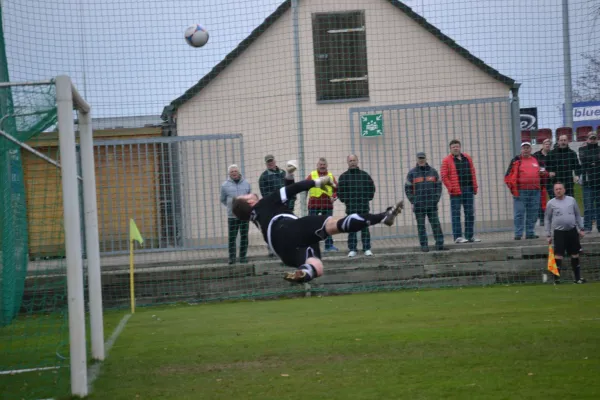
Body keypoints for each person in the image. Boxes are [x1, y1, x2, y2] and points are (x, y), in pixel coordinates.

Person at [231, 160, 404, 283]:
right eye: (245, 195)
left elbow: (286, 201)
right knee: (334, 224)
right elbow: (295, 189)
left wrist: (289, 174)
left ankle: (305, 273)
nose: (249, 193)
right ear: (250, 202)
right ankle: (383, 216)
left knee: (317, 266)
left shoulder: (259, 216)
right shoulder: (265, 202)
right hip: (289, 229)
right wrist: (320, 182)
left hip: (282, 250)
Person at [545, 182, 586, 284]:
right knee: (558, 255)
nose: (558, 191)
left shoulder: (571, 200)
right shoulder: (551, 203)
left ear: (564, 189)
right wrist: (548, 234)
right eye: (556, 189)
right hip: (559, 232)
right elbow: (547, 219)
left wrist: (581, 229)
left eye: (560, 188)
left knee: (575, 254)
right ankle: (557, 280)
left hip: (572, 231)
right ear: (554, 191)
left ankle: (577, 279)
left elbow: (577, 215)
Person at [505, 142, 548, 240]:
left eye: (527, 148)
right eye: (524, 148)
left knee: (532, 213)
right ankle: (518, 234)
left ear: (530, 149)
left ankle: (530, 233)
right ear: (521, 149)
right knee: (519, 213)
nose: (526, 149)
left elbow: (544, 172)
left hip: (535, 191)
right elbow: (507, 176)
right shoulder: (516, 160)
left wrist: (544, 174)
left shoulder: (536, 160)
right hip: (520, 192)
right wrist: (512, 187)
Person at [441, 139, 481, 243]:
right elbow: (444, 176)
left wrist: (474, 187)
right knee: (456, 214)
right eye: (453, 147)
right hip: (456, 192)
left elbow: (472, 172)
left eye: (457, 146)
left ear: (460, 147)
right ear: (450, 149)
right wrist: (451, 188)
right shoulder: (446, 160)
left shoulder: (467, 158)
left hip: (468, 189)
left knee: (469, 213)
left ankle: (469, 236)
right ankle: (458, 237)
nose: (455, 148)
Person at [404, 152, 445, 252]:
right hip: (419, 205)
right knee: (421, 227)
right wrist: (413, 201)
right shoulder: (412, 173)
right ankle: (424, 245)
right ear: (417, 159)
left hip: (432, 204)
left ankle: (440, 244)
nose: (421, 160)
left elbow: (439, 187)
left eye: (423, 158)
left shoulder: (433, 172)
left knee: (436, 225)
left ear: (426, 159)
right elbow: (407, 189)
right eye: (419, 158)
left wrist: (436, 199)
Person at [337, 154, 376, 257]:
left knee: (365, 228)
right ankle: (352, 249)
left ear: (357, 161)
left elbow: (371, 188)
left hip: (363, 207)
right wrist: (346, 200)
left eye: (354, 160)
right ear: (347, 162)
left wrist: (367, 198)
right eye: (350, 161)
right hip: (351, 208)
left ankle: (367, 248)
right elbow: (340, 191)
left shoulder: (365, 175)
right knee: (352, 229)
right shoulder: (343, 177)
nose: (352, 162)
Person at [259, 154, 295, 256]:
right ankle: (272, 249)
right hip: (273, 207)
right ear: (266, 163)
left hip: (286, 206)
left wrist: (291, 203)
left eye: (271, 161)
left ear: (275, 161)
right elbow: (265, 195)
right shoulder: (263, 177)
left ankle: (287, 248)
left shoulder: (284, 173)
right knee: (272, 227)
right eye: (268, 161)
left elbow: (291, 188)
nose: (270, 163)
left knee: (287, 227)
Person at [220, 164, 252, 264]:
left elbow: (249, 197)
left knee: (244, 236)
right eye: (232, 171)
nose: (234, 173)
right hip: (232, 216)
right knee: (232, 237)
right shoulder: (224, 185)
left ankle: (243, 257)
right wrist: (232, 207)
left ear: (238, 172)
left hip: (244, 215)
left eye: (235, 171)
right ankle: (232, 258)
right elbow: (223, 199)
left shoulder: (246, 183)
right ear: (229, 173)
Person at [306, 157, 339, 252]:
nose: (322, 166)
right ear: (317, 165)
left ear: (327, 165)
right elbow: (305, 187)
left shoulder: (331, 176)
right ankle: (312, 247)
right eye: (320, 164)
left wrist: (334, 196)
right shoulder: (312, 175)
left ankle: (328, 246)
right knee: (312, 226)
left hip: (327, 205)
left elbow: (336, 189)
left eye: (324, 165)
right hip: (313, 205)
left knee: (328, 226)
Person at [578, 131, 600, 233]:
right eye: (590, 138)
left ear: (597, 139)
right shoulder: (582, 149)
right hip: (587, 183)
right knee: (588, 207)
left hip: (599, 182)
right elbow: (584, 160)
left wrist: (591, 161)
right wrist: (595, 160)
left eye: (594, 138)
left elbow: (588, 159)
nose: (592, 140)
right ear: (587, 139)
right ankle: (587, 227)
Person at [533, 138, 552, 225]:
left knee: (553, 199)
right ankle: (542, 219)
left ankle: (553, 217)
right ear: (542, 145)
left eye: (549, 144)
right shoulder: (536, 155)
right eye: (545, 143)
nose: (547, 145)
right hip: (540, 181)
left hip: (551, 181)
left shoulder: (552, 154)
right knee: (540, 200)